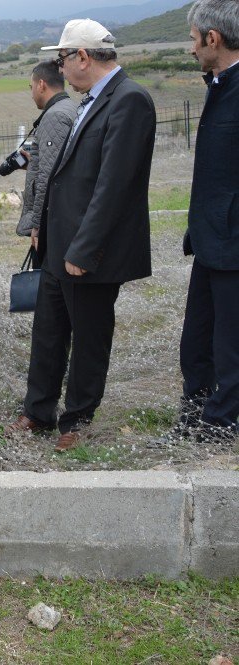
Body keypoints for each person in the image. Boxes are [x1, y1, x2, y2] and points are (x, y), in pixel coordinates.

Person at [4, 19, 156, 452]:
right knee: (48, 332)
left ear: (82, 57)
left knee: (89, 337)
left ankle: (78, 420)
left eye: (62, 58)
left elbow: (114, 186)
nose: (61, 67)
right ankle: (38, 412)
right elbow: (67, 176)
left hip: (89, 251)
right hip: (57, 243)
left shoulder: (130, 101)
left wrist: (84, 249)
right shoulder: (91, 100)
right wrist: (43, 225)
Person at [161, 0, 239, 444]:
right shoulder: (219, 82)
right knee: (196, 344)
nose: (191, 49)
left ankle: (221, 426)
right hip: (211, 241)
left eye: (193, 39)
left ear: (213, 39)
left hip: (234, 242)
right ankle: (194, 415)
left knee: (230, 347)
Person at [15, 61, 78, 244]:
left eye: (31, 86)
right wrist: (32, 163)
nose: (31, 92)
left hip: (54, 222)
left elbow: (49, 177)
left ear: (41, 84)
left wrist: (38, 225)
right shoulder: (70, 107)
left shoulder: (54, 117)